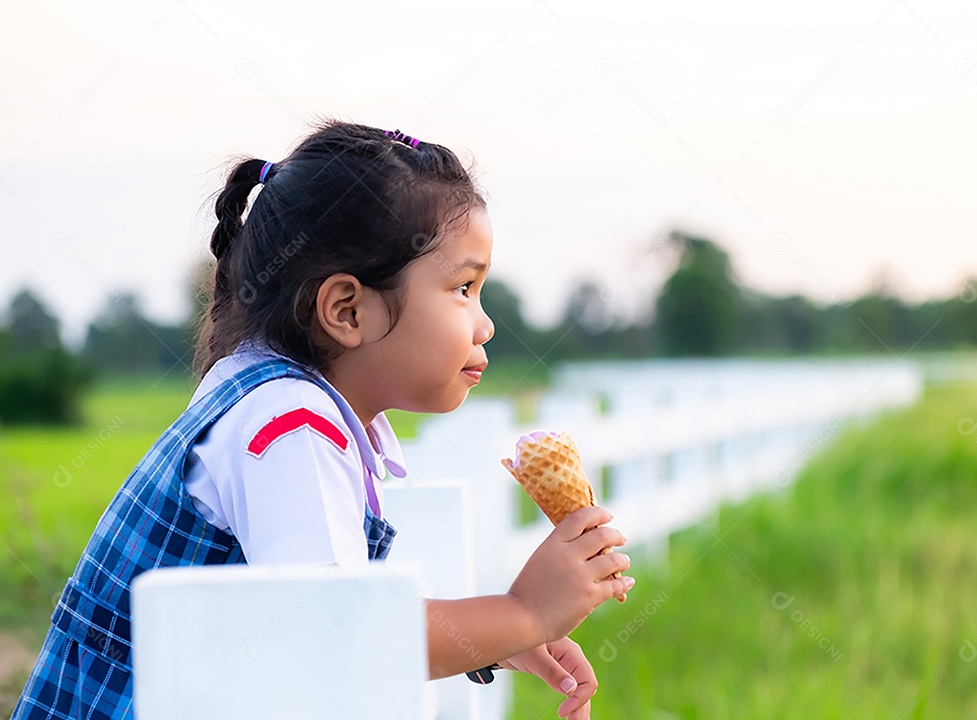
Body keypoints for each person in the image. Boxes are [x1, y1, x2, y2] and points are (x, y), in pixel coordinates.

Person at [12, 120, 634, 720]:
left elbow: (331, 613)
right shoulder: (290, 425)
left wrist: (495, 636)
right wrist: (523, 612)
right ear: (346, 309)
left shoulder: (275, 402)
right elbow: (334, 628)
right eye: (463, 289)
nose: (485, 323)